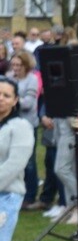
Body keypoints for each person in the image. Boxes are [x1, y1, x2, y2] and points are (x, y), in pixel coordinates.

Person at [0, 76, 36, 241]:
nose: (0, 99)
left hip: (7, 196)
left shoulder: (20, 127)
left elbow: (14, 165)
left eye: (6, 95)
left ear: (15, 101)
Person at [8, 51, 39, 207]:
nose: (15, 68)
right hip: (11, 124)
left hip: (28, 125)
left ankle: (30, 196)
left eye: (18, 65)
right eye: (13, 64)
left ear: (26, 65)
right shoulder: (10, 78)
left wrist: (11, 101)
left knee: (29, 162)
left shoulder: (32, 79)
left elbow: (28, 104)